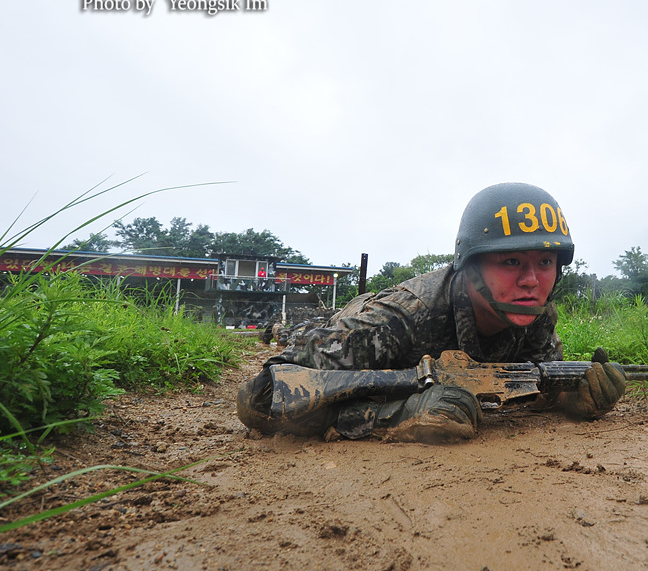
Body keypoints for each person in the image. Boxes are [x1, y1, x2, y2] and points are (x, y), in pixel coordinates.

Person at [236, 182, 626, 443]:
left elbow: (532, 383)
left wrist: (572, 400)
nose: (531, 280)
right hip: (355, 319)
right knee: (298, 331)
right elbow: (262, 398)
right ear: (468, 266)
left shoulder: (535, 315)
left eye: (545, 262)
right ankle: (279, 328)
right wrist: (398, 416)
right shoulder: (396, 319)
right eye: (510, 261)